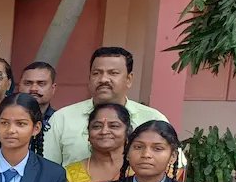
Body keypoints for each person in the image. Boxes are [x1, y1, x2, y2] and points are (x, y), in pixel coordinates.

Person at [44, 47, 176, 167]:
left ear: (129, 79)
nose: (103, 79)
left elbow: (174, 167)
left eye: (113, 73)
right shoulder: (63, 118)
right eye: (96, 73)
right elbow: (46, 169)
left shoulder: (152, 119)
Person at [0, 61, 58, 159]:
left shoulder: (59, 121)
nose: (34, 88)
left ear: (53, 88)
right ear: (19, 86)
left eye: (41, 83)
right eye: (28, 83)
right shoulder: (2, 123)